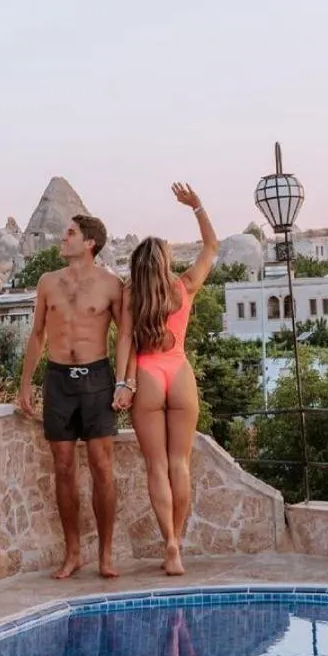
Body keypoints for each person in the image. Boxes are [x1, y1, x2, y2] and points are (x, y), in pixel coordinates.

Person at [112, 182, 217, 576]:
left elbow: (124, 338)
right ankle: (178, 542)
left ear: (138, 264)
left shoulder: (131, 295)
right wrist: (197, 206)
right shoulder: (183, 287)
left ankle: (169, 545)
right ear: (165, 262)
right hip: (179, 372)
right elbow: (211, 248)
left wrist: (123, 382)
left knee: (156, 466)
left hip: (149, 375)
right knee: (180, 464)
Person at [17, 213, 124, 580]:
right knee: (63, 467)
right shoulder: (48, 283)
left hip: (97, 379)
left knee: (101, 467)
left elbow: (126, 337)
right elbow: (37, 335)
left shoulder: (112, 286)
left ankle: (106, 555)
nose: (63, 238)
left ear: (90, 242)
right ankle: (73, 553)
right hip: (59, 379)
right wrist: (26, 382)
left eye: (71, 233)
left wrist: (126, 383)